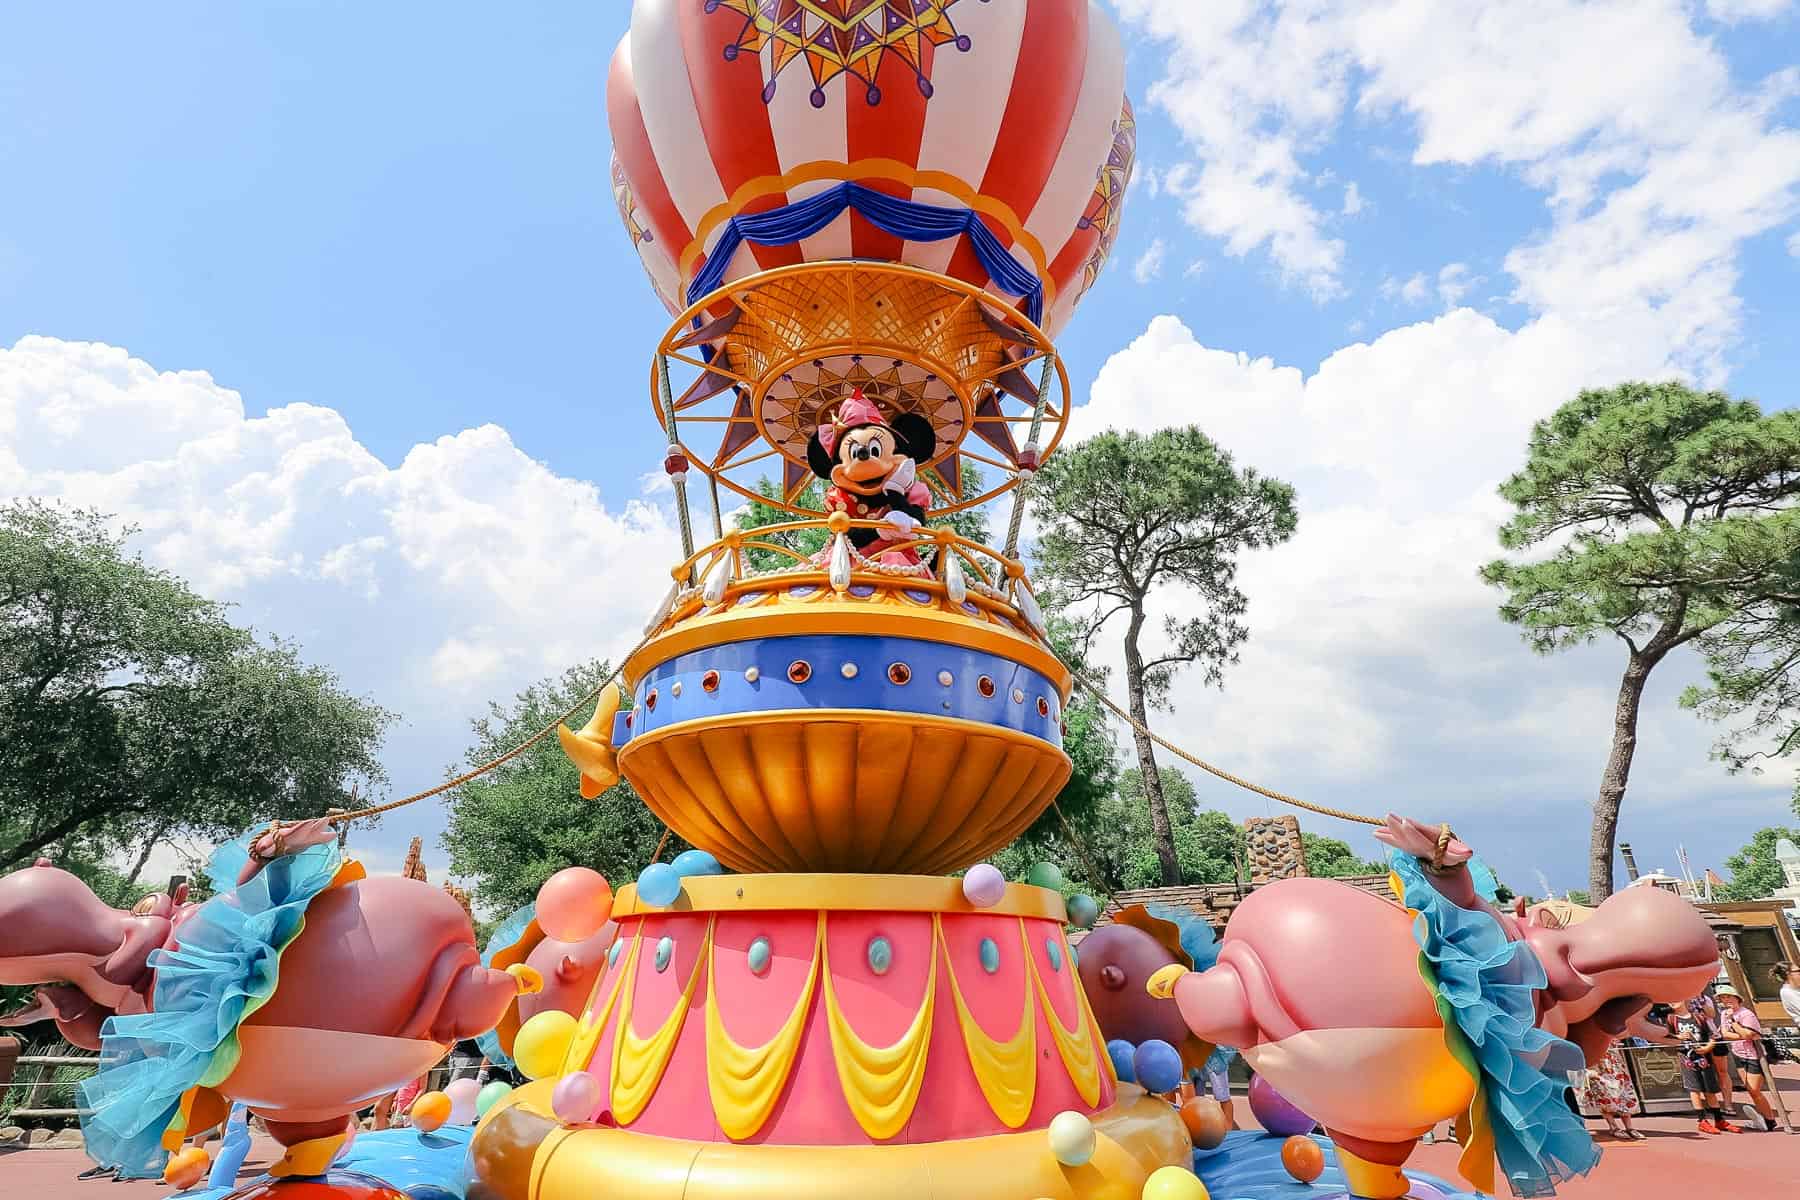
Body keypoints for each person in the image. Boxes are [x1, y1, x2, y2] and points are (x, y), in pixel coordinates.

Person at [1668, 1002, 1740, 1134]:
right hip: (1686, 1057)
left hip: (1703, 1056)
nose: (1672, 1003)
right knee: (1694, 1088)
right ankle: (1702, 1120)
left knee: (1709, 1088)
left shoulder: (1699, 1017)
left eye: (1675, 1000)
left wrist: (1707, 1047)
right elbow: (1666, 1036)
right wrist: (1677, 1037)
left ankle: (1719, 1119)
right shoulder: (1671, 1019)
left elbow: (1714, 1035)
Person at [1716, 985, 1778, 1131]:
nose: (1726, 1000)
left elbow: (1750, 1034)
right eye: (1723, 998)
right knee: (1750, 1089)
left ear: (1736, 998)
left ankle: (1769, 1120)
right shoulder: (1725, 1014)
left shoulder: (1746, 1014)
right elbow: (1726, 1034)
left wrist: (1735, 1024)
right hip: (1738, 1054)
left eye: (1728, 996)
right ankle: (1763, 1118)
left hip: (1754, 1056)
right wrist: (1742, 1034)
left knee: (1754, 1090)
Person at [1580, 1044, 1643, 1140]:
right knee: (1603, 1094)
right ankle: (1613, 1127)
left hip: (1614, 1059)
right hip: (1596, 1061)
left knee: (1623, 1091)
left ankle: (1629, 1127)